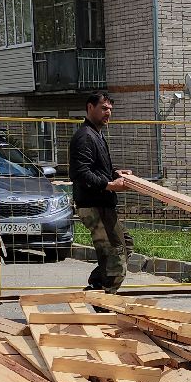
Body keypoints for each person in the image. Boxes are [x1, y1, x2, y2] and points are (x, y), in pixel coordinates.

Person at [68, 92, 132, 292]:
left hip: (102, 205)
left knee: (125, 245)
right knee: (116, 259)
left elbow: (96, 169)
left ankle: (96, 286)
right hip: (95, 206)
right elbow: (80, 173)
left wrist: (115, 173)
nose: (108, 113)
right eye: (104, 108)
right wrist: (111, 185)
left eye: (110, 109)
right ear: (90, 107)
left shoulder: (96, 134)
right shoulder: (85, 136)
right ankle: (102, 298)